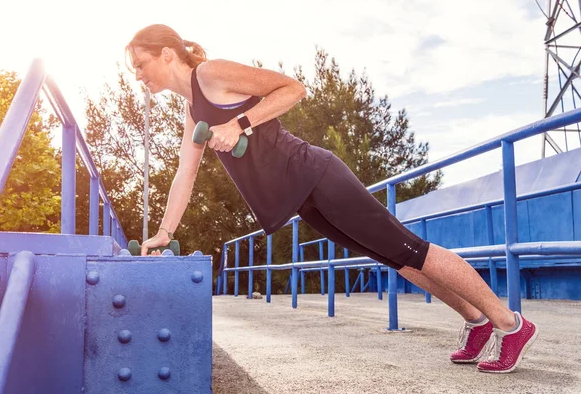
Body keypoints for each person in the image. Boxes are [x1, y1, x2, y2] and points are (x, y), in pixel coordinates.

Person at [126, 24, 537, 373]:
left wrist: (239, 123)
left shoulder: (211, 74)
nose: (138, 76)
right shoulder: (191, 109)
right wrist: (165, 231)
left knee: (413, 248)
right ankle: (476, 320)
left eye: (140, 65)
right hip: (303, 198)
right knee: (398, 258)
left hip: (317, 176)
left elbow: (292, 89)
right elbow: (186, 171)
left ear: (165, 54)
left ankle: (511, 325)